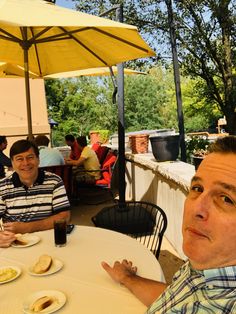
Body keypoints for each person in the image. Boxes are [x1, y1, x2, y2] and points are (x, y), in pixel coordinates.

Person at [102, 135, 236, 313]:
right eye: (197, 188)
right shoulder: (208, 265)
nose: (196, 208)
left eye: (226, 199)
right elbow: (175, 296)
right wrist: (128, 278)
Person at [0, 139, 70, 237]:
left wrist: (28, 227)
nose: (26, 163)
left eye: (30, 157)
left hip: (48, 241)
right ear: (12, 163)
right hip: (15, 243)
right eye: (19, 159)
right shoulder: (2, 187)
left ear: (38, 159)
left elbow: (64, 217)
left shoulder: (54, 181)